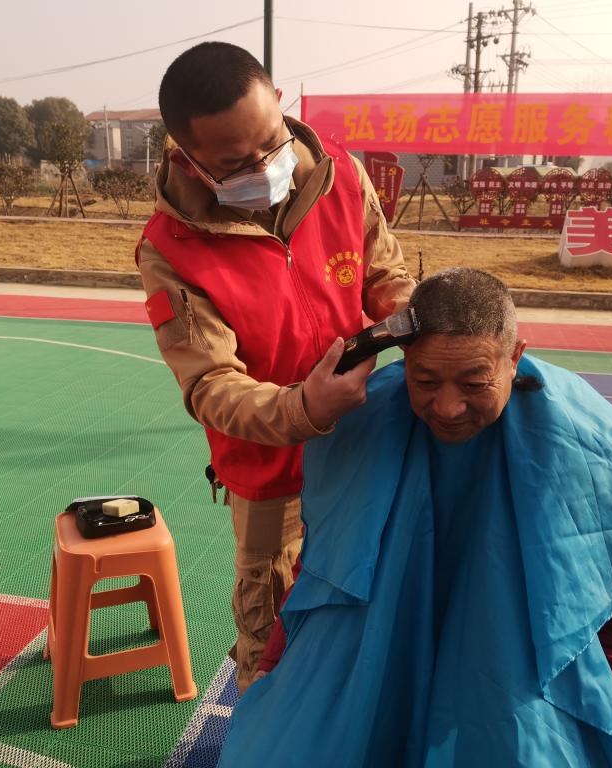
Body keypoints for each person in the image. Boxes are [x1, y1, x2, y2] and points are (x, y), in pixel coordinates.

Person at [219, 268, 612, 767]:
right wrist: (274, 663)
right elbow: (328, 560)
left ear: (515, 358)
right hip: (385, 645)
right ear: (404, 359)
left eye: (474, 383)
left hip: (507, 668)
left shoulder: (585, 446)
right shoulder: (365, 420)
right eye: (425, 380)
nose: (448, 407)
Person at [135, 41, 415, 693]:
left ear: (280, 104)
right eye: (235, 164)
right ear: (188, 159)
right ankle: (264, 730)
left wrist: (418, 320)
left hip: (366, 443)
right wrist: (305, 408)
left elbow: (386, 277)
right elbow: (210, 385)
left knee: (370, 604)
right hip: (270, 480)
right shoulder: (170, 250)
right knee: (273, 638)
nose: (264, 168)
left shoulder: (341, 176)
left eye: (270, 142)